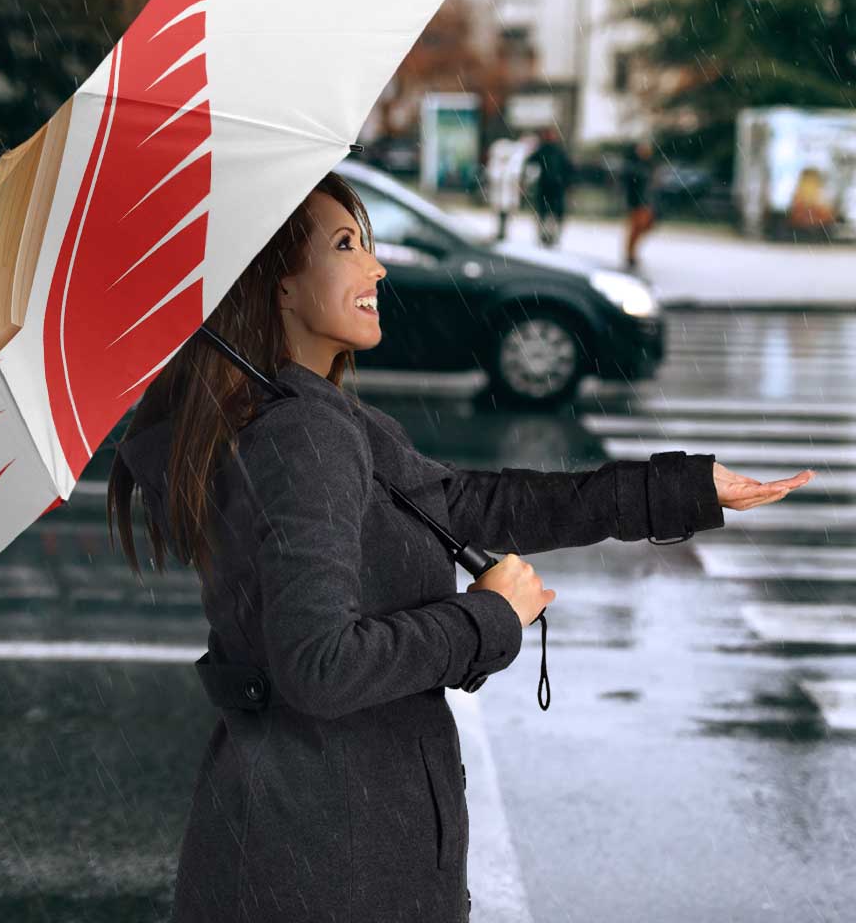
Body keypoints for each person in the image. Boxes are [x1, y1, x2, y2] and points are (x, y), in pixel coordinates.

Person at [108, 170, 810, 923]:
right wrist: (487, 618)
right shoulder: (301, 435)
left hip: (311, 841)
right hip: (330, 861)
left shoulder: (309, 416)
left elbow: (472, 504)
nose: (376, 267)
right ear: (277, 285)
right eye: (346, 245)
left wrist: (681, 490)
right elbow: (319, 666)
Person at [524, 125, 574, 248]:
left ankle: (551, 236)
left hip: (555, 187)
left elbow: (568, 169)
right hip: (547, 187)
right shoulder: (544, 150)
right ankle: (545, 236)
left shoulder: (557, 151)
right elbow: (530, 163)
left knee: (552, 214)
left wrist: (567, 183)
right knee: (545, 213)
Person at [622, 138, 658, 269]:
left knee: (644, 227)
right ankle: (630, 254)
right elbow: (631, 185)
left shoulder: (649, 165)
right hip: (637, 202)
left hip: (646, 202)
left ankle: (631, 253)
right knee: (636, 228)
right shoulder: (634, 166)